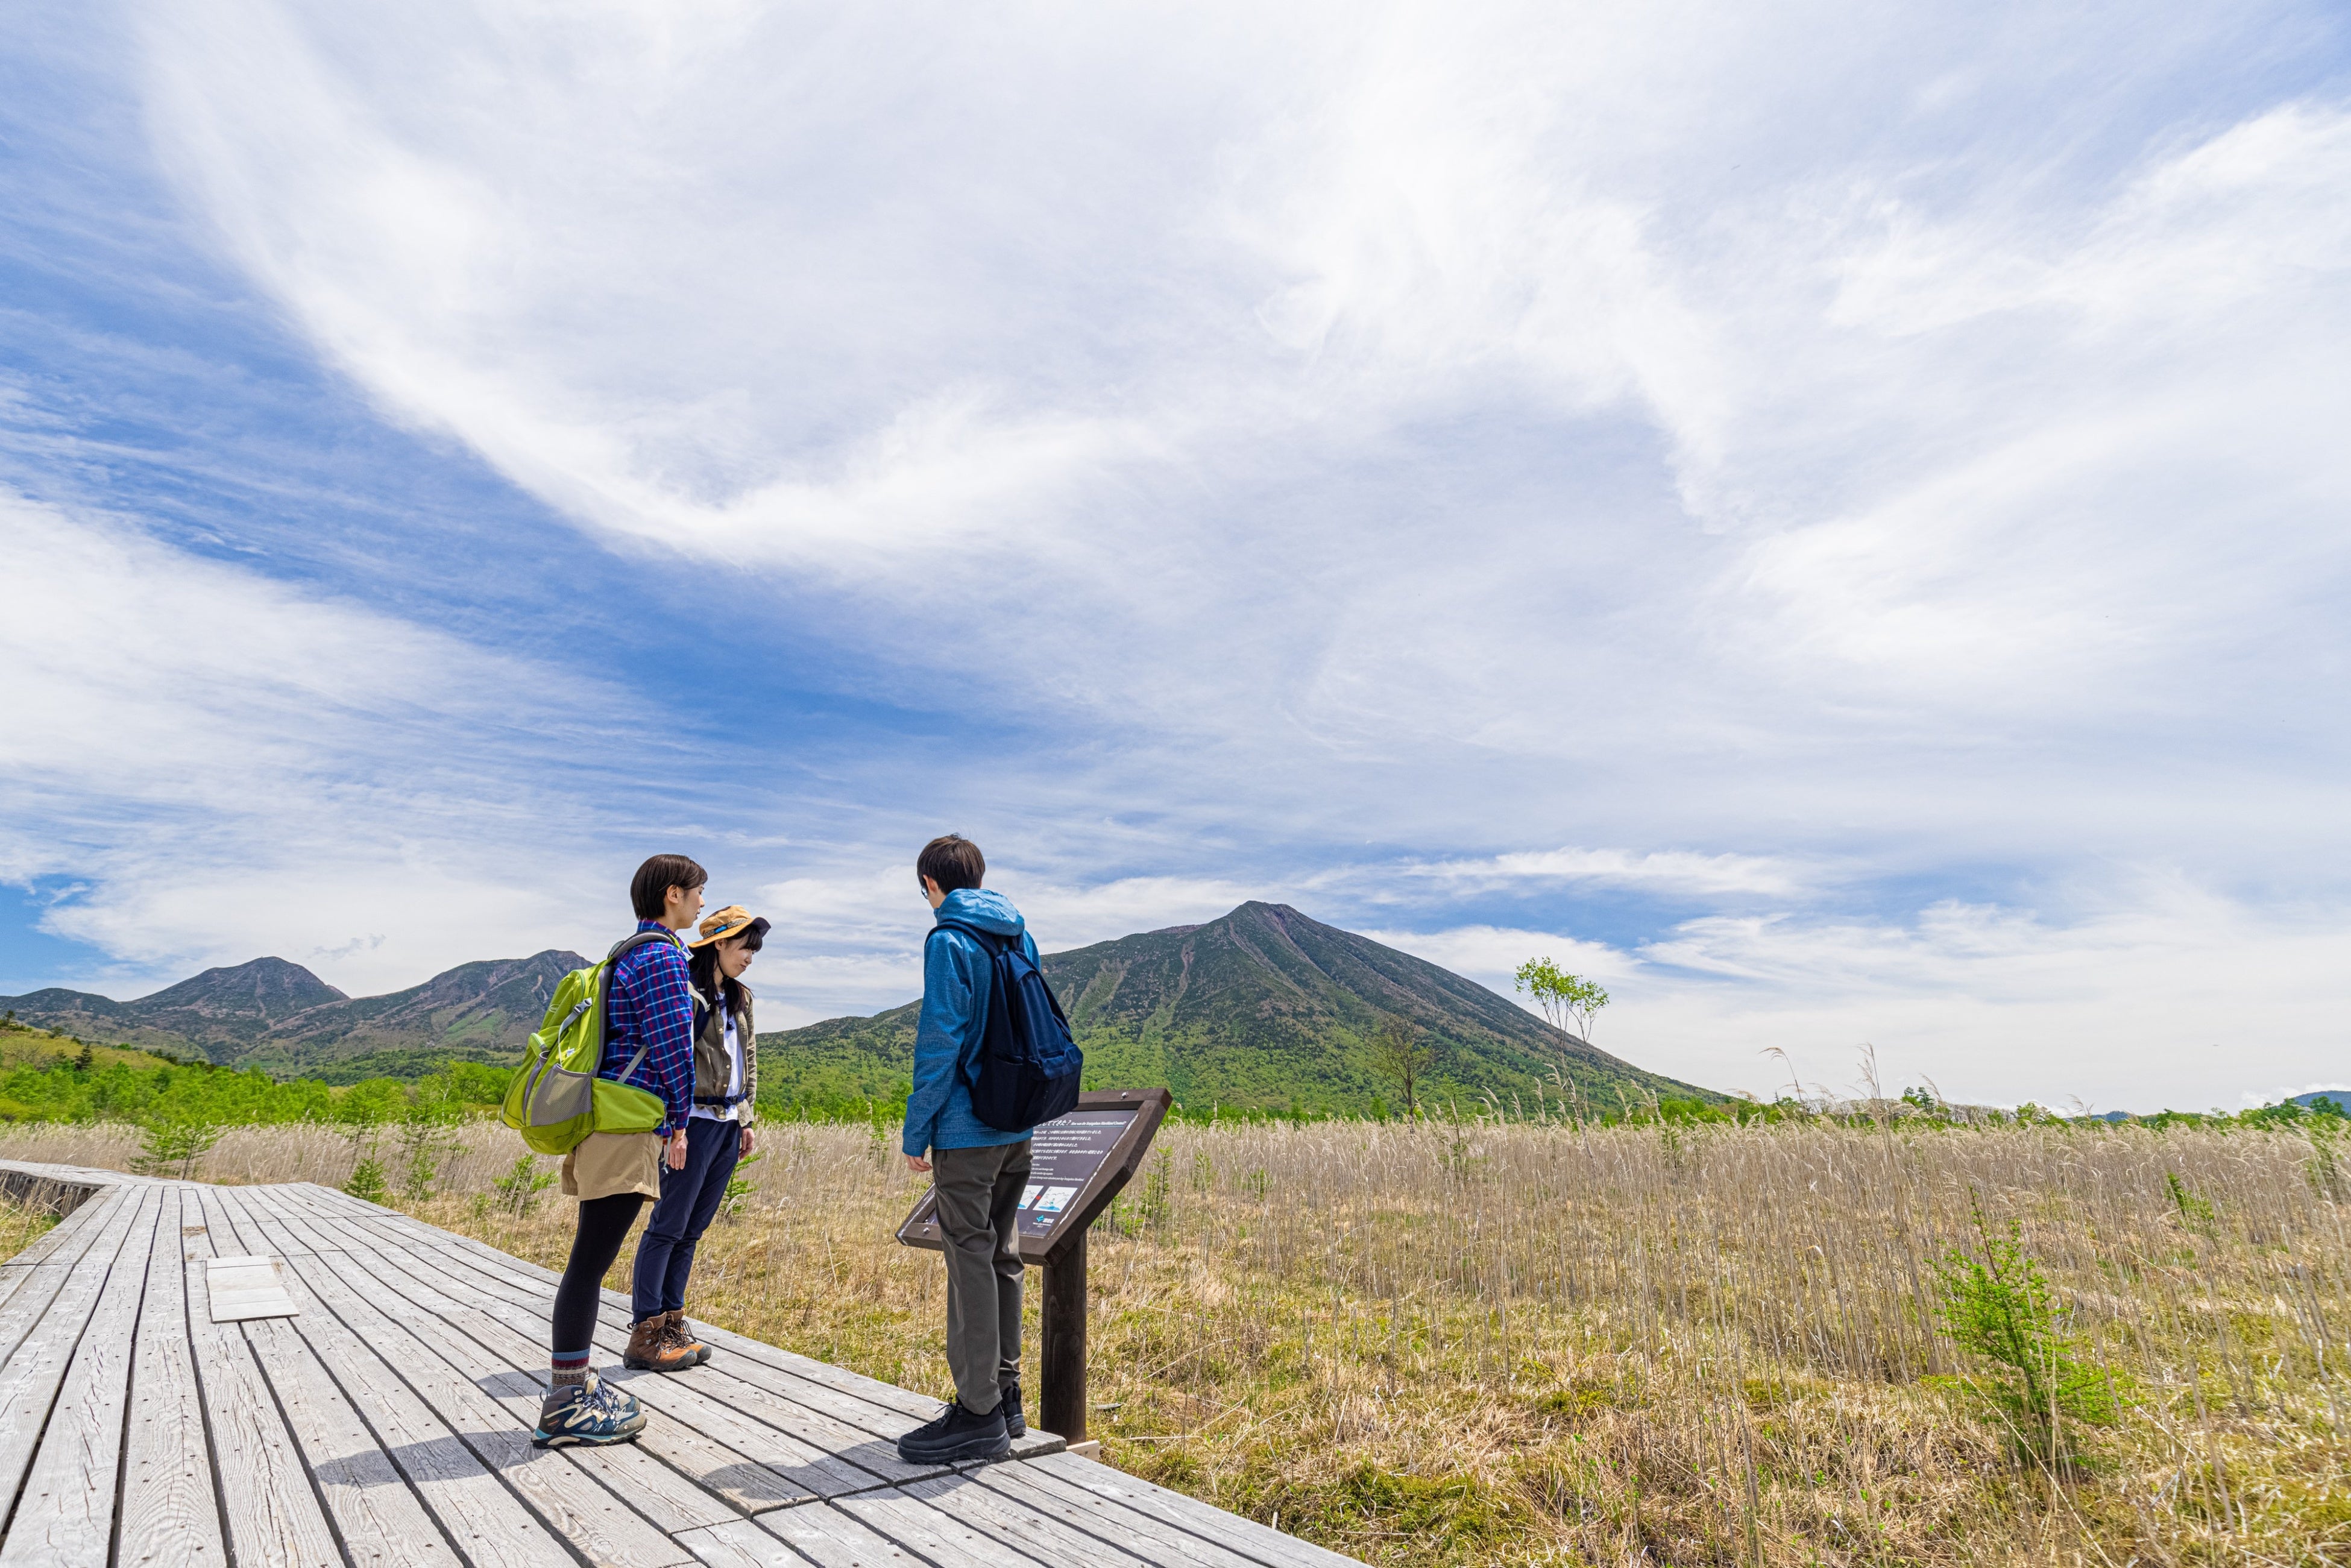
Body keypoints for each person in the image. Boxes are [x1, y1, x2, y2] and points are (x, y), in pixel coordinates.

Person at [533, 854, 704, 1448]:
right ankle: (567, 1405)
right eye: (698, 894)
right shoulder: (660, 957)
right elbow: (672, 1048)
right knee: (589, 1263)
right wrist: (680, 1122)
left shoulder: (626, 953)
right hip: (626, 1124)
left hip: (607, 1119)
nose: (702, 904)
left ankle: (573, 1391)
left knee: (590, 1259)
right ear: (673, 895)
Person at [895, 834, 1036, 1464]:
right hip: (1018, 1124)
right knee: (1004, 1255)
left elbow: (940, 1040)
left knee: (970, 1261)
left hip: (966, 1128)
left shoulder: (947, 939)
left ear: (930, 884)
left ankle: (977, 1411)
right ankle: (1007, 1397)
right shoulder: (1018, 934)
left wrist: (917, 1128)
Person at [625, 903, 769, 1371]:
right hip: (692, 1124)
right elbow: (671, 1060)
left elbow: (748, 1060)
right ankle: (645, 1331)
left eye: (754, 949)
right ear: (719, 943)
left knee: (691, 1230)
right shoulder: (686, 992)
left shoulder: (742, 998)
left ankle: (672, 1321)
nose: (750, 956)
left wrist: (745, 1120)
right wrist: (675, 1127)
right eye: (745, 946)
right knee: (667, 1226)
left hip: (726, 1127)